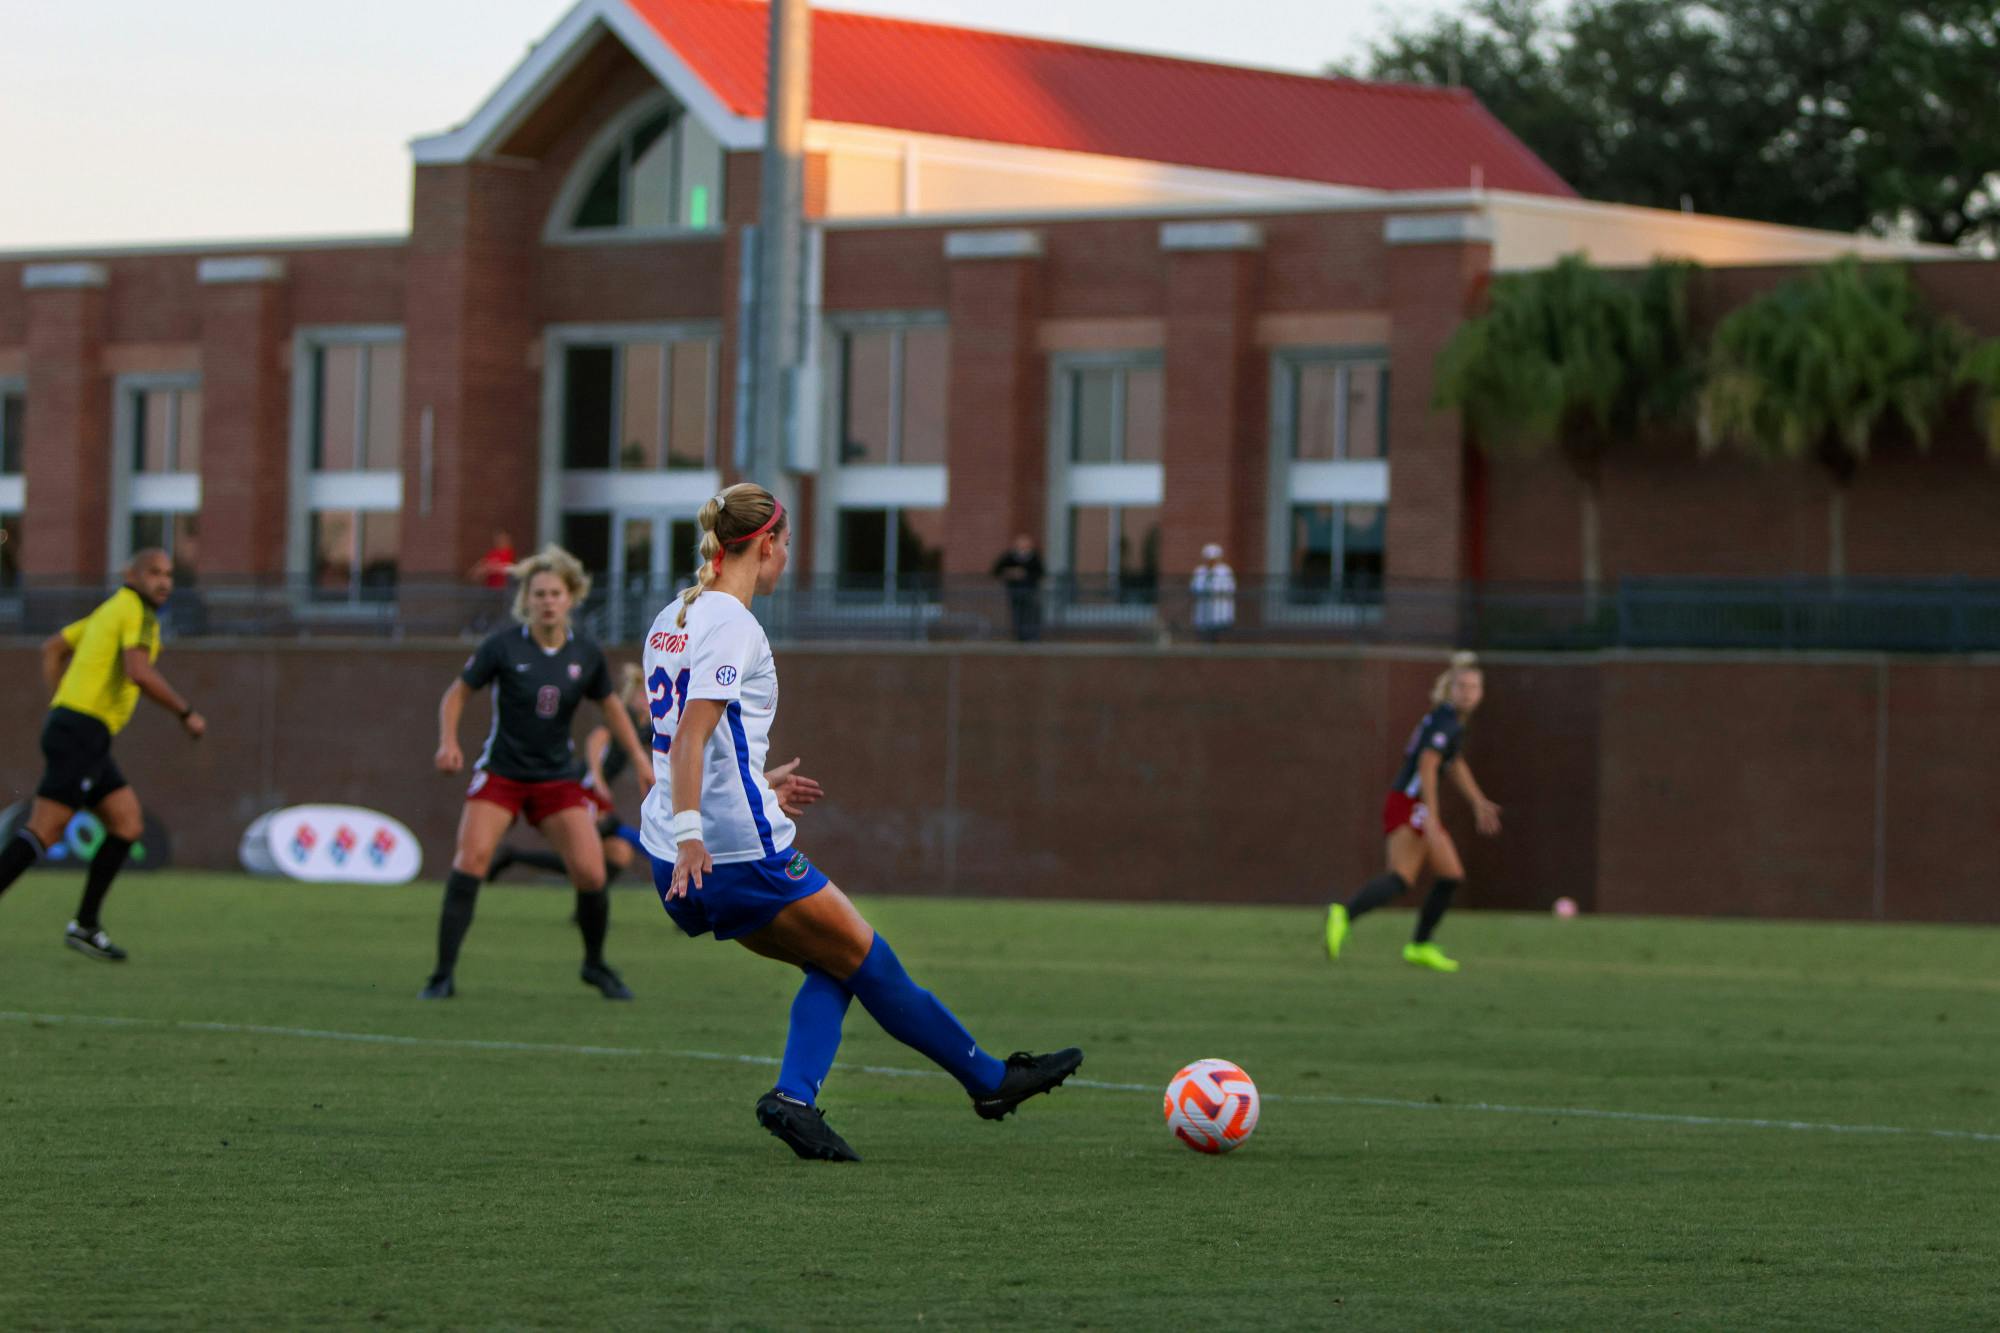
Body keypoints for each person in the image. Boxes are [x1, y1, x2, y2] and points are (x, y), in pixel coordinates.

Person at [646, 484, 1082, 1162]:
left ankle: (796, 1096)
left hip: (671, 850)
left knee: (837, 962)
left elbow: (680, 739)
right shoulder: (733, 621)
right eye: (785, 544)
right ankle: (991, 1080)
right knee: (873, 962)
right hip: (726, 851)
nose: (787, 557)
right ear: (765, 543)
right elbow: (693, 738)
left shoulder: (673, 612)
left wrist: (754, 787)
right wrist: (695, 835)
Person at [426, 545, 653, 1001]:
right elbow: (456, 694)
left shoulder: (585, 653)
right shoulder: (502, 646)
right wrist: (449, 742)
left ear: (571, 598)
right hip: (502, 774)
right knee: (470, 862)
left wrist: (643, 762)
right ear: (525, 600)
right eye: (539, 593)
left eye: (555, 593)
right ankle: (442, 975)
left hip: (557, 779)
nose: (547, 600)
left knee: (592, 874)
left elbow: (612, 710)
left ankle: (594, 965)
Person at [0, 549, 206, 960]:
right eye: (154, 573)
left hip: (81, 730)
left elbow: (53, 648)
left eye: (168, 575)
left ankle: (85, 926)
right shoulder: (136, 613)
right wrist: (186, 713)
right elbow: (138, 672)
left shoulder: (109, 611)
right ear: (131, 575)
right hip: (82, 730)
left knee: (127, 823)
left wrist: (61, 702)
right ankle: (83, 924)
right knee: (46, 829)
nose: (163, 582)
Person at [1324, 651, 1502, 973]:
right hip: (1409, 804)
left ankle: (1417, 944)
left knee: (1446, 876)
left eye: (1474, 687)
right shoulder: (1446, 722)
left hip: (1410, 803)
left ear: (1482, 692)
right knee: (1406, 877)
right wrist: (1432, 816)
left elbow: (1454, 761)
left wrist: (1477, 800)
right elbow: (1428, 764)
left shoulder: (1448, 720)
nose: (1468, 693)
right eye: (1462, 686)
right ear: (1451, 689)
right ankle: (1349, 917)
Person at [990, 533, 1045, 642]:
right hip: (1014, 590)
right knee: (1017, 614)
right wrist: (1011, 573)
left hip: (1030, 590)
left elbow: (1040, 573)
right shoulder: (1009, 557)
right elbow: (996, 571)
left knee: (1030, 613)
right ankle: (1020, 636)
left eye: (1026, 543)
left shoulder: (1034, 558)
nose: (1023, 546)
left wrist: (1026, 575)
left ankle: (1032, 636)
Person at [1190, 543, 1237, 644]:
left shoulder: (1225, 571)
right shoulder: (1200, 571)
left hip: (1218, 606)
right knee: (1204, 631)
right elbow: (1195, 586)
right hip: (1204, 607)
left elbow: (1229, 587)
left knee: (1218, 630)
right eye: (1208, 559)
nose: (1211, 562)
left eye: (1213, 559)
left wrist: (1215, 591)